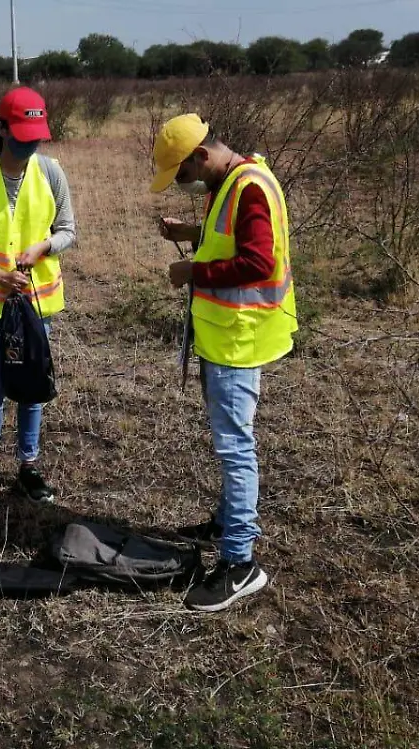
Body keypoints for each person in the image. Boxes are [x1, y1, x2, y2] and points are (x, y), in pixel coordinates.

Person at [150, 113, 298, 612]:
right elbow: (228, 238)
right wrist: (192, 231)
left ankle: (240, 562)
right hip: (224, 337)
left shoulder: (249, 187)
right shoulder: (231, 181)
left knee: (235, 448)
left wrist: (193, 271)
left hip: (240, 339)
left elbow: (260, 263)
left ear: (201, 155)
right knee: (229, 443)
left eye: (184, 175)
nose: (184, 185)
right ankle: (226, 522)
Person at [0, 86, 77, 503]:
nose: (29, 145)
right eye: (21, 136)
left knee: (31, 382)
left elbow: (68, 231)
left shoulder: (51, 172)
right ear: (1, 128)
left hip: (38, 300)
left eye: (35, 137)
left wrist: (44, 248)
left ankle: (28, 465)